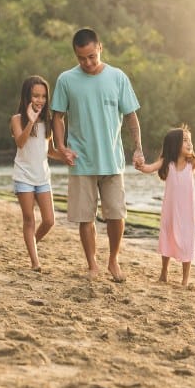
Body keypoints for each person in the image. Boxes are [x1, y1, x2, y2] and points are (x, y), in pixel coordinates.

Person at [52, 28, 145, 281]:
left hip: (112, 160)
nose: (88, 63)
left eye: (92, 56)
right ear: (76, 55)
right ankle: (92, 264)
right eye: (82, 58)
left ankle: (113, 260)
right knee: (85, 217)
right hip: (81, 160)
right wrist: (61, 147)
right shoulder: (66, 80)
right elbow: (57, 117)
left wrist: (137, 148)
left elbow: (131, 116)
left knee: (116, 214)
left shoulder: (118, 77)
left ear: (100, 48)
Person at [135, 125, 195, 287]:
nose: (190, 144)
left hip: (187, 212)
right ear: (174, 144)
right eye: (185, 141)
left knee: (187, 241)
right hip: (170, 211)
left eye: (190, 141)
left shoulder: (192, 163)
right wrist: (141, 166)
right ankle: (164, 273)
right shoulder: (167, 162)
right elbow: (150, 168)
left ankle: (185, 278)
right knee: (167, 237)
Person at [11, 75, 61, 272]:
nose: (40, 100)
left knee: (49, 220)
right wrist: (30, 121)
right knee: (29, 219)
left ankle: (31, 244)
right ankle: (35, 261)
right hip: (23, 176)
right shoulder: (16, 120)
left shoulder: (48, 121)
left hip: (43, 177)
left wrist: (66, 156)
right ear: (26, 97)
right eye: (35, 96)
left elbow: (49, 151)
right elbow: (21, 143)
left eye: (43, 96)